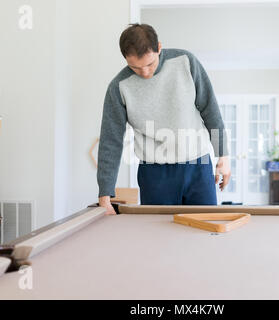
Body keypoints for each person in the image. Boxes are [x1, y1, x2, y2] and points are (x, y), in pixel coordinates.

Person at [97, 23, 230, 215]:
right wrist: (105, 195)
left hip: (198, 167)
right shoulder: (118, 87)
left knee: (206, 231)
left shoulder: (186, 62)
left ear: (159, 47)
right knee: (158, 238)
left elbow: (210, 110)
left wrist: (223, 155)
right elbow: (111, 141)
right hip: (154, 174)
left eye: (150, 64)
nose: (145, 73)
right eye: (135, 67)